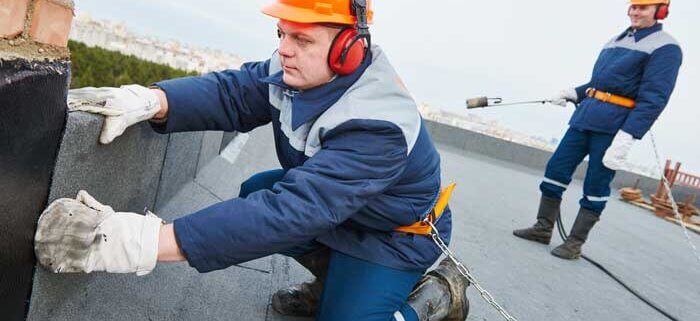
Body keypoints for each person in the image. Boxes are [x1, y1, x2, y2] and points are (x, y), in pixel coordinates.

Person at [34, 1, 470, 320]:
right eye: (282, 34)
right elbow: (233, 93)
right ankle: (334, 283)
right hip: (342, 212)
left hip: (393, 235)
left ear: (349, 48)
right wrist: (152, 99)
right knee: (255, 191)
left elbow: (291, 212)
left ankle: (432, 300)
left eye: (301, 38)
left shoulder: (379, 124)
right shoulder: (297, 70)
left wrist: (138, 243)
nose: (284, 49)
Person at [513, 0, 682, 259]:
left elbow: (654, 99)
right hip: (585, 118)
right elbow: (599, 84)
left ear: (659, 11)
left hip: (614, 128)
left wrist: (628, 136)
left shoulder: (666, 47)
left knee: (595, 184)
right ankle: (542, 228)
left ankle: (574, 244)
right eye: (633, 7)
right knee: (555, 171)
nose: (635, 12)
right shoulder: (615, 40)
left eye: (643, 8)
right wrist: (574, 93)